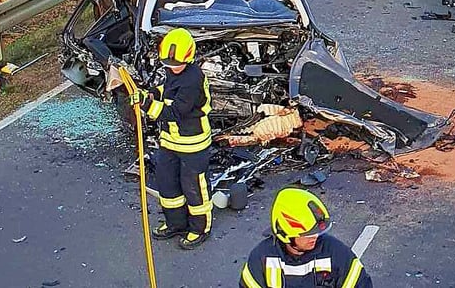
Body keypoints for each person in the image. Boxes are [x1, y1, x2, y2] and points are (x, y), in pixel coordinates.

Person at [131, 28, 213, 250]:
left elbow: (176, 112)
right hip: (170, 141)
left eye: (174, 63)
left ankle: (199, 228)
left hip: (192, 143)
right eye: (167, 62)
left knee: (193, 187)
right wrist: (152, 94)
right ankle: (176, 223)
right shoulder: (174, 71)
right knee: (168, 184)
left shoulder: (193, 80)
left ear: (188, 57)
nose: (170, 66)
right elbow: (167, 89)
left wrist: (148, 105)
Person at [239, 188, 372, 288]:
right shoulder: (261, 258)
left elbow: (359, 283)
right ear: (285, 234)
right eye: (307, 234)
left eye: (316, 232)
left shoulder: (336, 253)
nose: (314, 237)